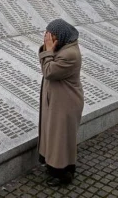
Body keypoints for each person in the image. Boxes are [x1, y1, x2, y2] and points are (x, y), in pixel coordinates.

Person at [37, 18, 84, 187]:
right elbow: (47, 65)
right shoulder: (63, 47)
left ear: (62, 37)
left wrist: (48, 50)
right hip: (58, 101)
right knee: (56, 136)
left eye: (52, 37)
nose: (48, 40)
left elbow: (48, 71)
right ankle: (56, 167)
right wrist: (48, 49)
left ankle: (63, 174)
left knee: (61, 138)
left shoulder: (69, 54)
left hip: (66, 104)